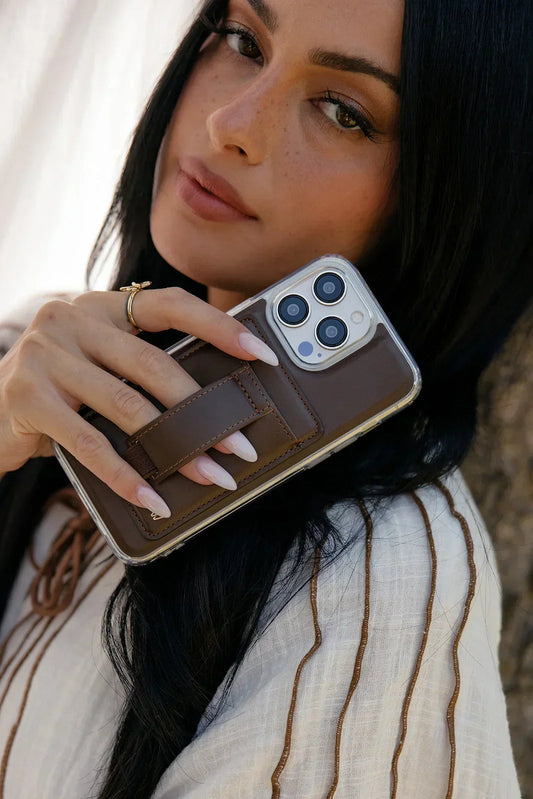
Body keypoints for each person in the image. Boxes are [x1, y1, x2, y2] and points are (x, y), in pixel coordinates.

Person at [0, 0, 531, 796]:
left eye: (343, 111)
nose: (232, 123)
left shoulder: (380, 571)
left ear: (446, 194)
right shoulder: (31, 359)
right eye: (243, 40)